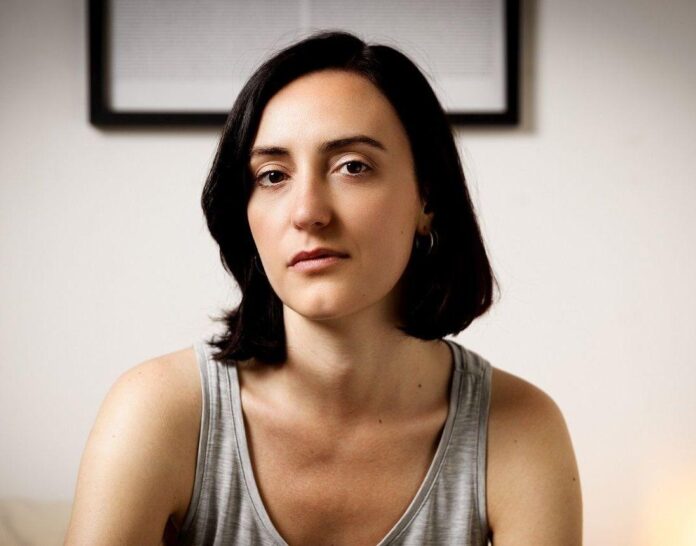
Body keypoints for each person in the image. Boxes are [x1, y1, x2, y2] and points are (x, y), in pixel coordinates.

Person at [65, 31, 582, 545]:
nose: (308, 212)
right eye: (272, 176)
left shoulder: (519, 429)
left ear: (427, 199)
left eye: (352, 167)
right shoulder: (157, 412)